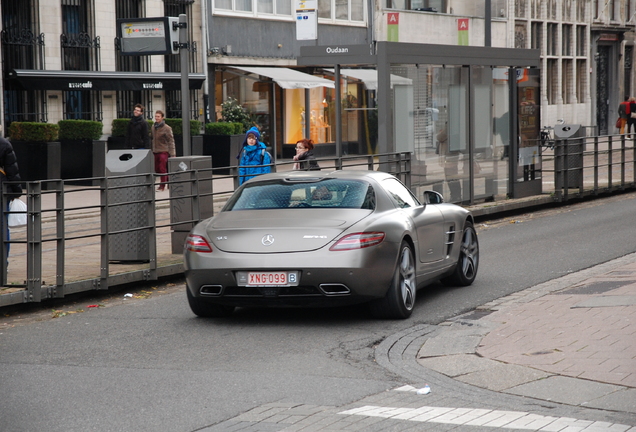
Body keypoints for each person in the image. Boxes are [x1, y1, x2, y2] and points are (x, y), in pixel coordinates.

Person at [0, 130, 23, 263]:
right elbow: (12, 170)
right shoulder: (4, 144)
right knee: (2, 227)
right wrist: (16, 191)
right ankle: (3, 263)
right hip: (2, 192)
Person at [151, 110, 176, 192]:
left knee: (162, 168)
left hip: (163, 150)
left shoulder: (167, 128)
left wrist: (172, 153)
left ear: (162, 117)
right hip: (155, 150)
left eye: (158, 116)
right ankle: (168, 179)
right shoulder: (153, 127)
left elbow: (171, 141)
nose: (156, 118)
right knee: (157, 168)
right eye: (155, 116)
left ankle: (162, 185)